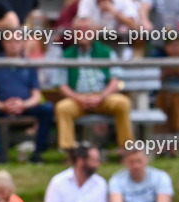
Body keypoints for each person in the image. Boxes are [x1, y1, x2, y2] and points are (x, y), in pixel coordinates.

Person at [55, 17, 132, 151]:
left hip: (103, 97)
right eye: (79, 30)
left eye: (87, 30)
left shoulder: (107, 52)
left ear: (94, 32)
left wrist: (101, 96)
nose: (83, 34)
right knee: (62, 108)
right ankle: (70, 153)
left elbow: (116, 80)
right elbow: (61, 85)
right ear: (73, 33)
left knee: (123, 103)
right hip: (78, 99)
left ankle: (126, 149)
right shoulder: (66, 55)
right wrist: (79, 98)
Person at [0, 34, 53, 164]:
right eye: (9, 41)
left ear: (22, 43)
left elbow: (36, 95)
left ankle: (38, 153)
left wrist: (24, 104)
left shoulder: (29, 64)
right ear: (3, 43)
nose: (13, 44)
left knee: (47, 109)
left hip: (25, 106)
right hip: (1, 107)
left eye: (17, 41)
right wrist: (1, 105)